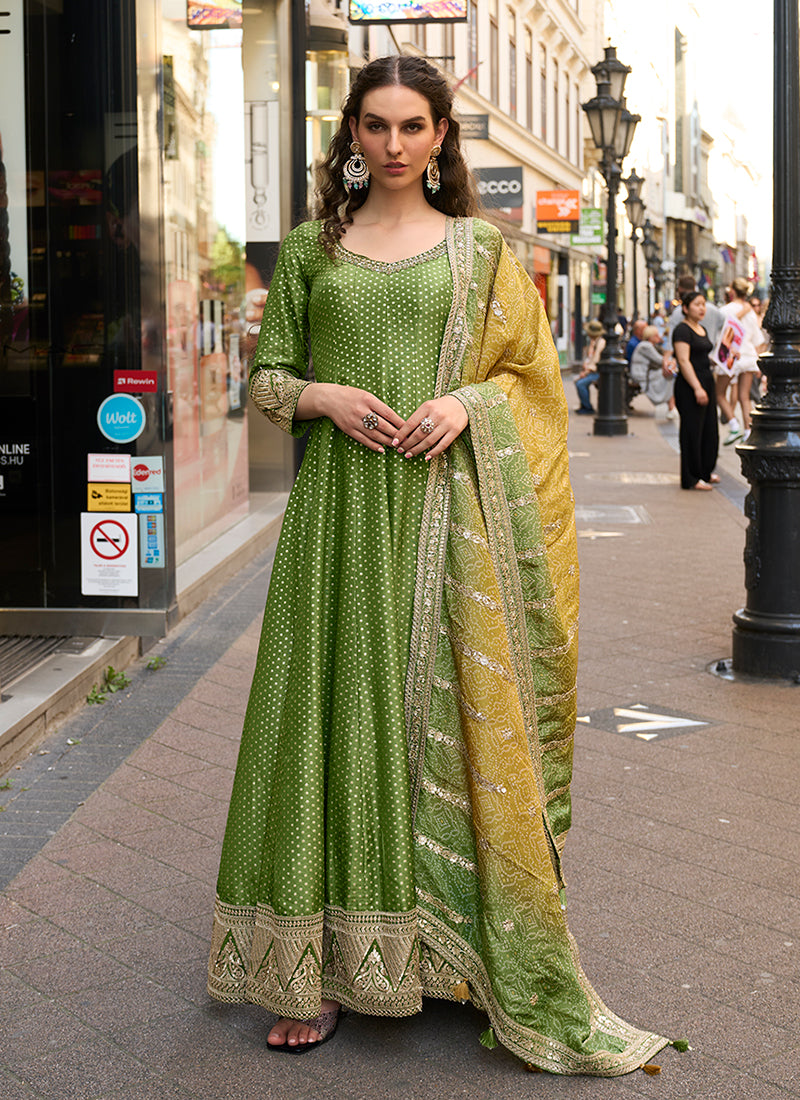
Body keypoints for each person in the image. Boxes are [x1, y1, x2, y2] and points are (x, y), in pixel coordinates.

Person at [206, 55, 669, 1075]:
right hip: (333, 521)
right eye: (374, 126)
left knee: (423, 723)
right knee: (322, 718)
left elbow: (527, 376)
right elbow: (268, 374)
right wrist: (321, 397)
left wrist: (466, 405)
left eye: (412, 126)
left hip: (438, 522)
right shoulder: (309, 249)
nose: (393, 144)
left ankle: (439, 948)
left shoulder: (479, 251)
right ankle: (313, 967)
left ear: (441, 135)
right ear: (351, 134)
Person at [672, 291, 719, 490]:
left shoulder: (702, 328)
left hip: (707, 381)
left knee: (709, 431)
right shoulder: (682, 330)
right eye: (697, 304)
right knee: (692, 431)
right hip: (691, 385)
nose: (702, 308)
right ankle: (691, 477)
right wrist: (697, 388)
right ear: (685, 308)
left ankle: (704, 472)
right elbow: (683, 361)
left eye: (703, 304)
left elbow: (702, 357)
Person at [715, 277, 766, 444]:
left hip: (730, 356)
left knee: (720, 393)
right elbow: (758, 341)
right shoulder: (751, 313)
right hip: (748, 356)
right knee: (745, 397)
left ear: (733, 291)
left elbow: (721, 335)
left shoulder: (725, 310)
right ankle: (747, 431)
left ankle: (733, 423)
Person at [629, 325, 678, 417]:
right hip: (641, 374)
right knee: (670, 374)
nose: (659, 337)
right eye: (656, 335)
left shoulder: (649, 345)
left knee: (670, 373)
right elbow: (660, 360)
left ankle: (671, 407)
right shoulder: (645, 346)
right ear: (650, 337)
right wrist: (672, 360)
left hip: (646, 372)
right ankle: (671, 407)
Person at [574, 318, 605, 414]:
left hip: (596, 372)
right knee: (579, 382)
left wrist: (586, 372)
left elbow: (595, 361)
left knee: (580, 384)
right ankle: (584, 404)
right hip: (592, 370)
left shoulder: (601, 343)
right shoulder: (594, 342)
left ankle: (587, 407)